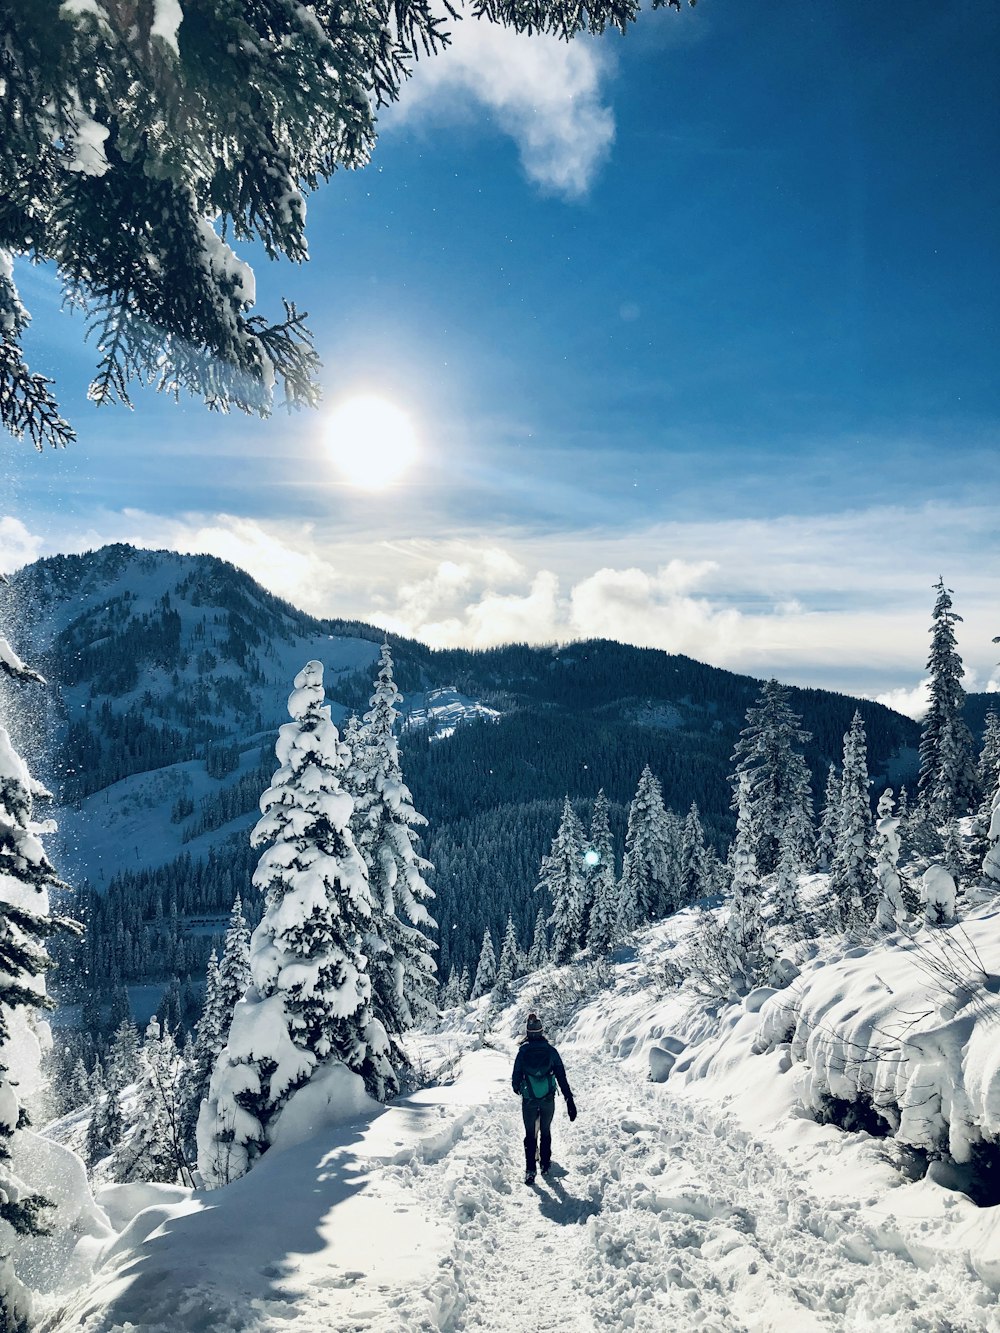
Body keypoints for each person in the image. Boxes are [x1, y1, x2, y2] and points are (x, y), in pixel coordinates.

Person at [512, 1012, 577, 1184]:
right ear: (541, 1032)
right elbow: (562, 1077)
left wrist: (521, 1089)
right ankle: (545, 1164)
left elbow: (515, 1078)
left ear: (527, 1032)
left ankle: (530, 1170)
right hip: (548, 1098)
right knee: (546, 1131)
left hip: (529, 1099)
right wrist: (569, 1100)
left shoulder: (523, 1051)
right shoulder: (551, 1051)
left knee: (529, 1134)